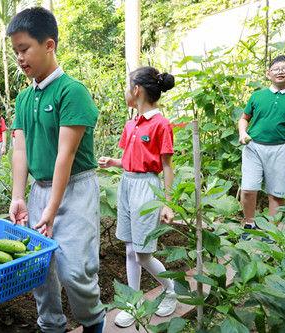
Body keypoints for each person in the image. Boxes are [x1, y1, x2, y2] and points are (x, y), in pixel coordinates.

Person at [7, 7, 105, 333]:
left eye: (25, 49)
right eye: (15, 51)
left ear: (49, 45)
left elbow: (66, 155)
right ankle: (51, 326)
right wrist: (18, 197)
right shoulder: (23, 98)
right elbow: (19, 149)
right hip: (40, 188)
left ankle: (93, 322)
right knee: (40, 271)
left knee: (74, 269)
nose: (20, 58)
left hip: (76, 188)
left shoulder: (71, 91)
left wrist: (51, 209)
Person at [98, 66, 178, 328]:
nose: (125, 92)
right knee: (131, 249)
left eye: (127, 86)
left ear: (137, 90)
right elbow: (132, 160)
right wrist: (114, 162)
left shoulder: (161, 124)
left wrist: (167, 202)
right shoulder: (131, 123)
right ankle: (134, 303)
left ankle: (171, 289)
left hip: (146, 188)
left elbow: (166, 165)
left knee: (143, 253)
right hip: (127, 184)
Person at [238, 55, 285, 232]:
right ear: (268, 73)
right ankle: (249, 224)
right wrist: (242, 132)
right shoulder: (257, 96)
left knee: (277, 194)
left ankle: (272, 232)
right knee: (248, 189)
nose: (280, 72)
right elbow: (244, 118)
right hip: (253, 147)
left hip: (282, 148)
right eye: (276, 69)